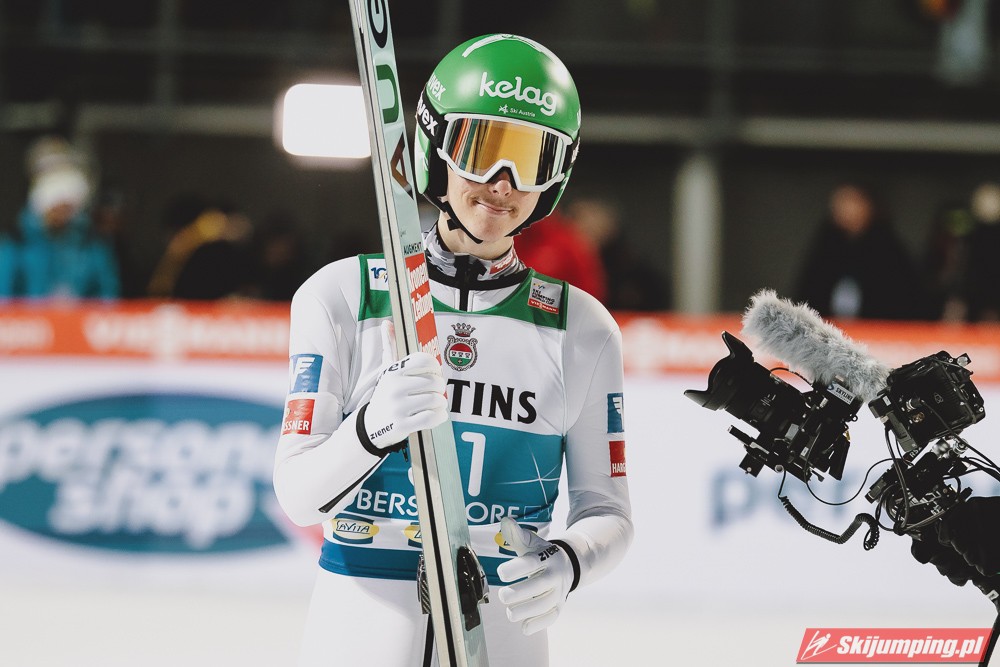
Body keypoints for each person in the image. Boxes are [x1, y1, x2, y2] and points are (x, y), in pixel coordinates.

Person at [273, 34, 634, 667]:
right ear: (435, 148)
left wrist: (569, 562)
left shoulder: (582, 329)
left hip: (504, 621)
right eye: (483, 150)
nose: (503, 184)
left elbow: (608, 511)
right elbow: (298, 494)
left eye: (532, 160)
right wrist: (371, 428)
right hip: (360, 616)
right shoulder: (344, 295)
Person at [0, 135, 120, 300]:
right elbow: (4, 297)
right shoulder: (16, 243)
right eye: (56, 207)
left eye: (68, 208)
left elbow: (107, 296)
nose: (62, 214)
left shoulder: (91, 244)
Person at [792, 182, 924, 320]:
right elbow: (807, 298)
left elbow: (904, 299)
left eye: (852, 201)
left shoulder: (888, 252)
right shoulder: (825, 249)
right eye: (839, 203)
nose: (845, 210)